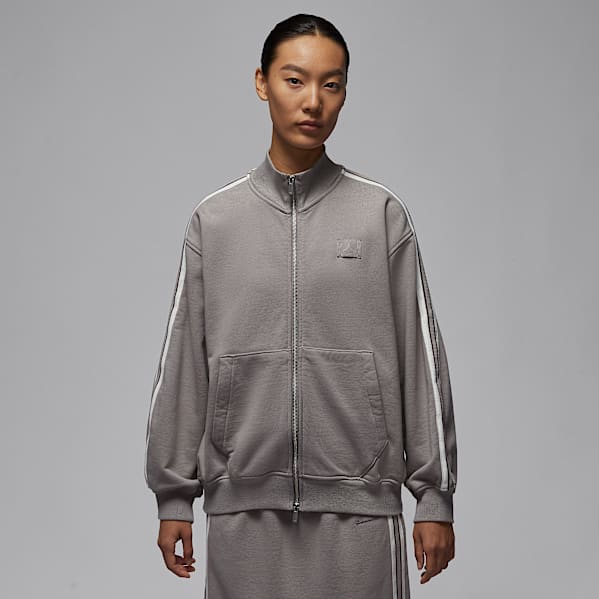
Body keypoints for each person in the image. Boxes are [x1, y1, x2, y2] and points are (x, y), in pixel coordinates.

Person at [144, 13, 457, 598]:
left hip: (361, 513)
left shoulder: (381, 217)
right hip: (243, 512)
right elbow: (183, 361)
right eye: (295, 80)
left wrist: (434, 497)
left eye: (331, 84)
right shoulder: (215, 222)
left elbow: (422, 361)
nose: (313, 101)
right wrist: (174, 495)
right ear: (262, 82)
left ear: (344, 92)